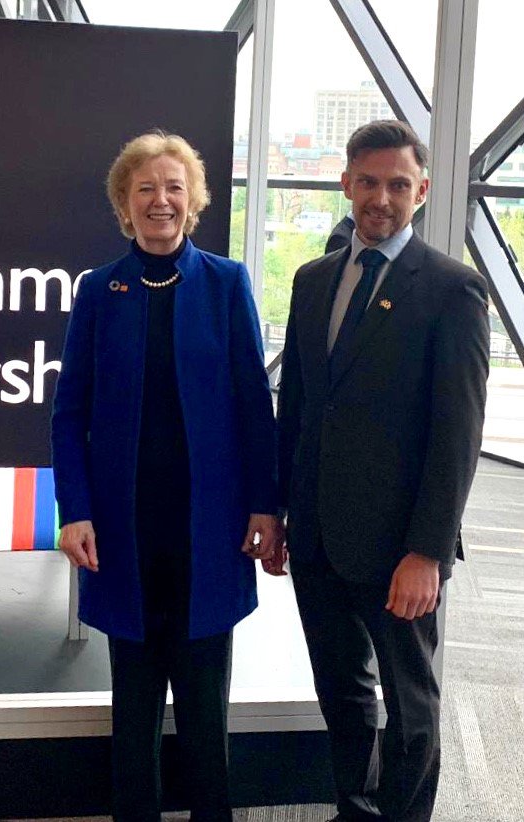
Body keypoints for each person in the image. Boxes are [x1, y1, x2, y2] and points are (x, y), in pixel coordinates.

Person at [52, 131, 281, 822]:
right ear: (124, 203)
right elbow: (70, 414)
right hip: (124, 535)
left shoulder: (226, 283)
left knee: (207, 714)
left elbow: (252, 404)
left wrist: (264, 508)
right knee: (134, 713)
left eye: (173, 187)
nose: (160, 201)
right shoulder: (99, 291)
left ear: (194, 199)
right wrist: (75, 509)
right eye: (145, 188)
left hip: (208, 534)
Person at [274, 120, 490, 822]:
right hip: (315, 541)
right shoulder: (311, 282)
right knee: (340, 693)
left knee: (410, 705)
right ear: (345, 183)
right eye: (367, 182)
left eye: (398, 184)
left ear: (420, 190)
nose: (381, 198)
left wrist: (426, 552)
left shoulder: (451, 291)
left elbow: (455, 436)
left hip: (400, 548)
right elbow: (299, 411)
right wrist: (280, 513)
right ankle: (353, 809)